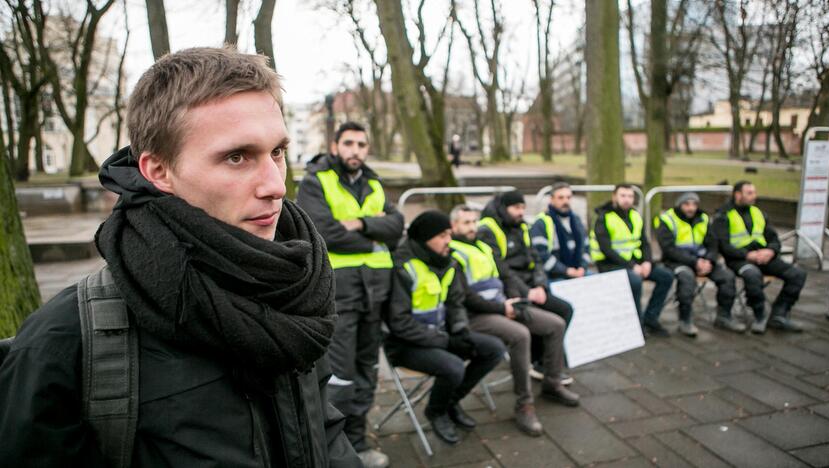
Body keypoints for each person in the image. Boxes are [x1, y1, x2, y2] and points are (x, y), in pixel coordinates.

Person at [0, 47, 360, 467]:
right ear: (158, 171)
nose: (275, 186)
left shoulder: (293, 289)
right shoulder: (65, 343)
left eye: (277, 152)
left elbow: (321, 431)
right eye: (237, 156)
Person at [297, 121, 403, 467]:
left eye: (361, 144)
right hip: (340, 293)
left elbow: (397, 226)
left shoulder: (373, 182)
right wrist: (375, 233)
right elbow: (323, 232)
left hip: (376, 292)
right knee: (340, 374)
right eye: (349, 143)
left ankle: (358, 439)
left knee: (367, 368)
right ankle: (334, 448)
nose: (355, 150)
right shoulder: (317, 180)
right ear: (335, 145)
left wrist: (360, 224)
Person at [449, 205, 579, 437]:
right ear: (454, 227)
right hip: (477, 315)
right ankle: (524, 405)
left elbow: (505, 274)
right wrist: (502, 307)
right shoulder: (453, 253)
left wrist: (515, 297)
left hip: (503, 305)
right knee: (521, 335)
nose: (472, 227)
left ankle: (552, 382)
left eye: (474, 222)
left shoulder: (482, 246)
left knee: (555, 324)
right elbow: (465, 297)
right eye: (466, 223)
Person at [384, 211, 505, 445]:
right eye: (441, 235)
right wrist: (446, 341)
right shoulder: (403, 267)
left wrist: (460, 330)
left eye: (449, 233)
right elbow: (399, 323)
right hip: (405, 345)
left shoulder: (448, 261)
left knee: (493, 349)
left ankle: (450, 401)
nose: (448, 240)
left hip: (440, 337)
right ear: (424, 239)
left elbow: (455, 302)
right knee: (454, 367)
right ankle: (436, 411)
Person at [477, 190, 575, 381]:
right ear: (504, 208)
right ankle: (539, 362)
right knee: (539, 315)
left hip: (530, 285)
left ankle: (541, 361)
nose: (521, 212)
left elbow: (536, 259)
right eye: (516, 208)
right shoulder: (488, 230)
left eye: (523, 207)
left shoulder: (521, 226)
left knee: (565, 309)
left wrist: (540, 285)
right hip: (509, 290)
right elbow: (502, 269)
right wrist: (527, 292)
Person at [713, 181, 807, 333]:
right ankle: (759, 315)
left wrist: (770, 251)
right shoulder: (723, 215)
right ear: (738, 195)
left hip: (764, 257)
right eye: (749, 193)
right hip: (739, 259)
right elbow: (723, 245)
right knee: (752, 275)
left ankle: (779, 314)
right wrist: (748, 255)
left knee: (797, 274)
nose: (753, 196)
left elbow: (774, 239)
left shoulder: (759, 213)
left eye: (754, 192)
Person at [655, 192, 746, 336]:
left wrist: (709, 260)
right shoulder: (667, 219)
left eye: (694, 204)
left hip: (703, 261)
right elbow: (669, 249)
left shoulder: (703, 218)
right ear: (679, 205)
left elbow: (713, 244)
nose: (691, 208)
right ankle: (685, 320)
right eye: (687, 204)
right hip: (676, 261)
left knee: (727, 277)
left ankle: (724, 317)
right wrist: (695, 262)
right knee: (686, 278)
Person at [590, 184, 674, 337]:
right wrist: (633, 266)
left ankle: (651, 318)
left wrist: (647, 262)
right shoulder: (604, 218)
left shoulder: (635, 216)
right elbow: (606, 249)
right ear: (614, 197)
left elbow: (645, 242)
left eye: (630, 196)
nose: (627, 200)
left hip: (635, 263)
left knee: (666, 276)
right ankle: (636, 325)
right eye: (623, 196)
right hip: (610, 264)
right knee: (635, 281)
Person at [531, 182, 591, 283]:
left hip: (579, 271)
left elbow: (586, 247)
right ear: (551, 199)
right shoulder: (541, 223)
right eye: (561, 197)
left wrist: (582, 268)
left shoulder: (576, 219)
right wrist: (566, 271)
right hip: (554, 275)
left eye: (568, 197)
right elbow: (540, 255)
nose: (565, 201)